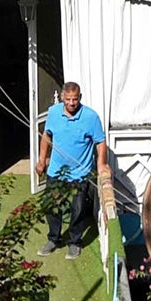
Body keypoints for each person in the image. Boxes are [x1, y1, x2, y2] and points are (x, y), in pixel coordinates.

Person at [34, 80, 111, 260]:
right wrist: (41, 160)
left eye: (74, 100)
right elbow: (46, 136)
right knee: (52, 207)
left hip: (80, 173)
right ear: (62, 97)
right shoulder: (53, 113)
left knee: (77, 209)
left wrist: (101, 164)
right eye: (68, 99)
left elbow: (100, 142)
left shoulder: (91, 117)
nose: (71, 103)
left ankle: (75, 243)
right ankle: (54, 239)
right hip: (56, 171)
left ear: (80, 98)